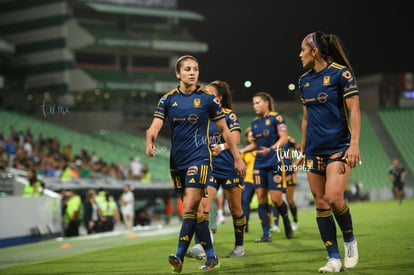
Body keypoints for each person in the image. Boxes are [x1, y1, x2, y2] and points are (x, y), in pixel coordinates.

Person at [145, 55, 246, 273]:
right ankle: (211, 256)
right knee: (197, 211)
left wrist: (237, 157)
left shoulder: (208, 99)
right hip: (177, 161)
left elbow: (224, 131)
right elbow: (154, 126)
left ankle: (179, 255)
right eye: (188, 69)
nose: (193, 72)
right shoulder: (167, 99)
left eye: (196, 69)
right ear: (178, 74)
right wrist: (150, 139)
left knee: (190, 206)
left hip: (200, 158)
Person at [297, 31, 361, 272]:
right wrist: (303, 148)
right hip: (314, 150)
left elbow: (354, 110)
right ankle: (333, 259)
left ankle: (349, 239)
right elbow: (305, 118)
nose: (299, 54)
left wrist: (354, 144)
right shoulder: (304, 81)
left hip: (339, 147)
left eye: (302, 49)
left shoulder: (341, 73)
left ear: (314, 51)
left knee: (334, 197)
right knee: (321, 202)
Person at [187, 80, 246, 259]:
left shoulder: (229, 115)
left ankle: (239, 247)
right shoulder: (203, 117)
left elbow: (236, 139)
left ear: (218, 98)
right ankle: (203, 245)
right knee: (202, 206)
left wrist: (222, 147)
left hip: (229, 167)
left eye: (209, 92)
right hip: (210, 168)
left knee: (236, 210)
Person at [239, 92, 293, 242]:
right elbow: (255, 144)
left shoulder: (277, 118)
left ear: (266, 103)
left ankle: (287, 221)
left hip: (275, 161)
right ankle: (266, 234)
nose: (254, 106)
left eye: (257, 103)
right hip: (259, 163)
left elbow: (283, 139)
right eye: (253, 103)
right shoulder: (254, 123)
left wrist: (270, 149)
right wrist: (242, 151)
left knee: (276, 199)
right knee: (262, 197)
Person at [271, 136, 301, 232]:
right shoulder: (270, 138)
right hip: (276, 172)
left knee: (290, 200)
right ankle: (276, 225)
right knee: (276, 199)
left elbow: (301, 149)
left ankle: (295, 221)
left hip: (288, 172)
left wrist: (298, 164)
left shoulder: (288, 139)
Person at [240, 128, 256, 233]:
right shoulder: (244, 152)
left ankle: (270, 225)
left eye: (252, 135)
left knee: (268, 202)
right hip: (249, 180)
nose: (250, 137)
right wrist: (242, 182)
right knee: (245, 202)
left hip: (261, 180)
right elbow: (240, 168)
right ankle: (245, 225)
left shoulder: (261, 149)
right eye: (249, 136)